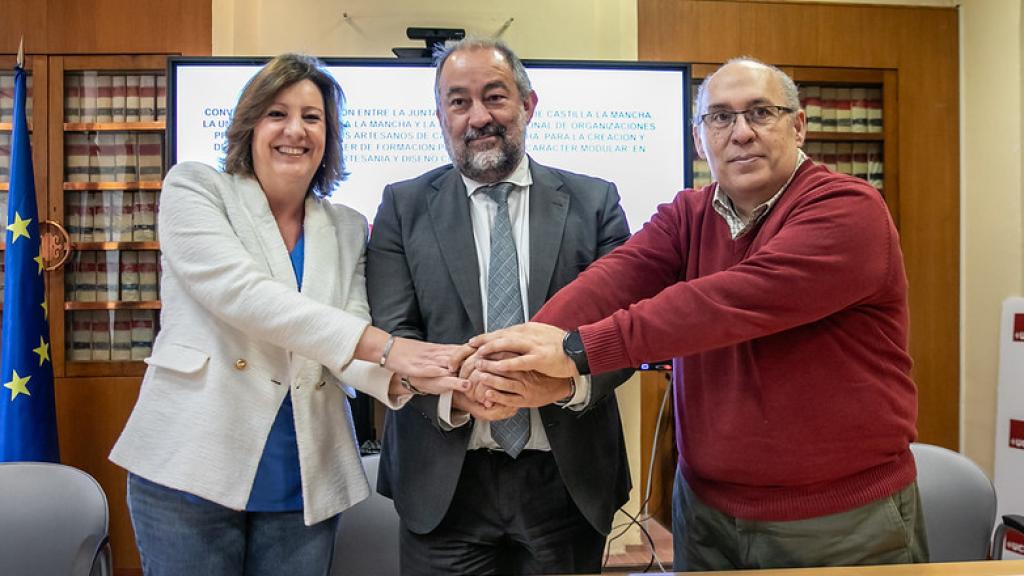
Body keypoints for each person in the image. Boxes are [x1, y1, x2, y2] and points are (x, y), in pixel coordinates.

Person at [462, 57, 929, 571]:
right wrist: (521, 353)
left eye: (761, 112)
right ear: (699, 139)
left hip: (837, 523)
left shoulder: (847, 209)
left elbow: (724, 304)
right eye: (721, 117)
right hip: (706, 515)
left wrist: (575, 350)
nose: (741, 132)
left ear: (798, 126)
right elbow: (617, 277)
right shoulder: (689, 213)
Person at [109, 53, 466, 576]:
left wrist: (421, 377)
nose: (295, 130)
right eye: (277, 113)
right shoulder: (196, 188)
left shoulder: (347, 225)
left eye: (312, 117)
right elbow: (244, 295)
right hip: (189, 468)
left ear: (328, 136)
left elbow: (348, 341)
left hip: (302, 479)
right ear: (250, 125)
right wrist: (390, 348)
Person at [366, 38, 633, 575]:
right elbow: (394, 332)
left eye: (495, 97)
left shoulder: (594, 202)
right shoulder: (403, 206)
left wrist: (561, 386)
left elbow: (624, 332)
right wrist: (460, 394)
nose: (478, 117)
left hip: (566, 480)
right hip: (443, 481)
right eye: (458, 102)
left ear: (528, 105)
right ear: (440, 116)